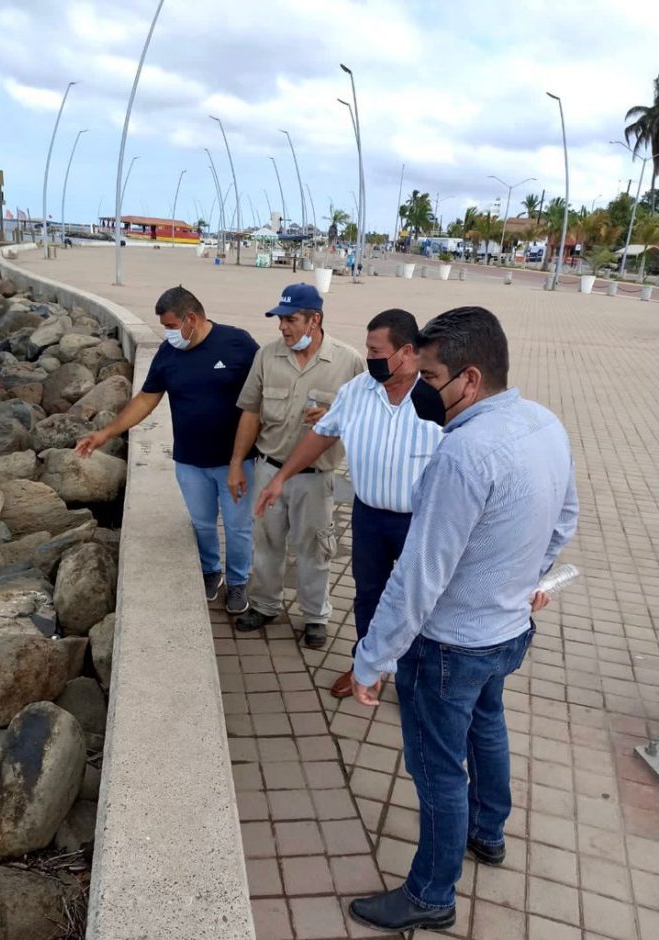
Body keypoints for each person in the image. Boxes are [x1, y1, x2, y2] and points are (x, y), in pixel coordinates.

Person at [348, 306, 579, 934]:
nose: (417, 387)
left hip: (450, 646)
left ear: (470, 379)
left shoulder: (463, 453)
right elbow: (565, 518)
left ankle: (431, 893)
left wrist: (371, 658)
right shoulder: (544, 424)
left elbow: (419, 577)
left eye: (428, 375)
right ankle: (488, 834)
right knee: (488, 725)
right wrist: (527, 579)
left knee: (438, 766)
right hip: (507, 633)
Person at [255, 309, 442, 697]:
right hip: (370, 516)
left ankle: (415, 680)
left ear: (407, 351)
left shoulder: (438, 396)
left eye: (376, 350)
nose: (369, 357)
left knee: (421, 602)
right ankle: (366, 667)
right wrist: (280, 477)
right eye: (368, 349)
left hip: (422, 522)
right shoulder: (358, 391)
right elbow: (321, 435)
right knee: (369, 593)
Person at [76, 286, 258, 614]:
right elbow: (146, 398)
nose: (168, 333)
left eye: (172, 326)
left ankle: (237, 581)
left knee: (237, 527)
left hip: (237, 461)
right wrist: (106, 433)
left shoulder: (238, 343)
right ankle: (209, 571)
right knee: (202, 524)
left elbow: (263, 390)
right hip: (189, 460)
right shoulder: (168, 353)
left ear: (192, 319)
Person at [228, 283, 365, 648]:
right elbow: (251, 412)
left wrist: (337, 415)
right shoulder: (267, 357)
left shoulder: (349, 361)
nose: (282, 328)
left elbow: (366, 417)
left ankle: (315, 616)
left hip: (316, 479)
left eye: (290, 319)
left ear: (314, 319)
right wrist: (237, 463)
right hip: (268, 469)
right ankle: (264, 604)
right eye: (280, 319)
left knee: (315, 549)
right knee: (266, 543)